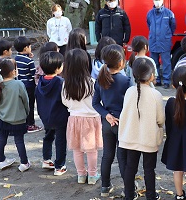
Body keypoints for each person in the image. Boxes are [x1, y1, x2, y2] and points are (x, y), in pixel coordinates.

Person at [118, 58, 164, 200]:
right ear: (151, 76)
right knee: (149, 169)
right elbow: (161, 120)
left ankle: (129, 195)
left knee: (130, 168)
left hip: (130, 137)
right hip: (148, 138)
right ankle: (151, 195)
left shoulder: (129, 92)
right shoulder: (156, 95)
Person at [91, 44, 131, 197]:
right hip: (122, 122)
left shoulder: (100, 80)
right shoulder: (126, 81)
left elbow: (95, 103)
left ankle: (105, 187)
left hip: (107, 123)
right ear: (121, 62)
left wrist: (106, 114)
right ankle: (128, 186)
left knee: (107, 155)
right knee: (122, 157)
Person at [62, 49, 102, 185]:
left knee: (77, 149)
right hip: (92, 119)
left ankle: (81, 174)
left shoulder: (66, 83)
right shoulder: (92, 82)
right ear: (86, 64)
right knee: (91, 150)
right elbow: (99, 101)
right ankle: (92, 175)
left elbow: (64, 101)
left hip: (74, 118)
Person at [161, 67, 186, 200]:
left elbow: (168, 125)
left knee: (177, 170)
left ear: (173, 84)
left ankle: (179, 195)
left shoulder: (170, 103)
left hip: (174, 141)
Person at [0, 58, 31, 171]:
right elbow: (26, 101)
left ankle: (1, 160)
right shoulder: (18, 84)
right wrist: (26, 113)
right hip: (18, 118)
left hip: (3, 118)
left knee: (2, 139)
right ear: (12, 71)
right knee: (19, 140)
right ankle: (24, 163)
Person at [36, 51, 69, 176]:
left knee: (48, 136)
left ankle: (46, 159)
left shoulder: (40, 82)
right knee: (60, 141)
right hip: (60, 117)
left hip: (46, 116)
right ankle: (59, 166)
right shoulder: (60, 82)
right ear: (57, 68)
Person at [147, 0, 176, 88]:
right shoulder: (150, 14)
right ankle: (157, 80)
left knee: (166, 62)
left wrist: (167, 35)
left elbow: (173, 26)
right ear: (153, 0)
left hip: (165, 41)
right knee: (154, 62)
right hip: (153, 41)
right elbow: (149, 25)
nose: (157, 1)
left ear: (163, 0)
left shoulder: (169, 13)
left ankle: (167, 81)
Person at [14, 36, 42, 133]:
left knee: (23, 105)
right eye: (30, 46)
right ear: (26, 48)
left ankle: (23, 123)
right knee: (30, 104)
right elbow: (33, 73)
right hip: (29, 85)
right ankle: (30, 124)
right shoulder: (29, 61)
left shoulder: (16, 59)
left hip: (19, 85)